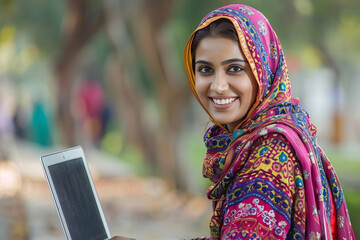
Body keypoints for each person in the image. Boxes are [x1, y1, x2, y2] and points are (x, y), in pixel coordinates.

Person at [112, 4, 355, 240]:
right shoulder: (259, 137)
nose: (217, 86)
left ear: (263, 71)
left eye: (235, 69)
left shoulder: (269, 156)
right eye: (206, 70)